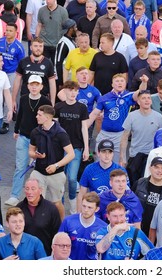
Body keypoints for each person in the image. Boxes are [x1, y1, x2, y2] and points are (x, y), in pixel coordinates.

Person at [5, 75, 51, 207]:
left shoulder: (45, 101)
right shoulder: (24, 98)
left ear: (41, 87)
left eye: (37, 85)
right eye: (32, 84)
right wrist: (16, 130)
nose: (34, 87)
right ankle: (14, 196)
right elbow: (20, 115)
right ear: (28, 86)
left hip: (40, 139)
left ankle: (38, 197)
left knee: (38, 169)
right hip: (24, 137)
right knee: (20, 167)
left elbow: (48, 119)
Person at [28, 105, 75, 220]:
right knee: (36, 200)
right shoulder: (35, 132)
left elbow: (71, 154)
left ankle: (61, 224)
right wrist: (35, 155)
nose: (36, 117)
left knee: (56, 203)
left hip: (56, 173)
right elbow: (31, 151)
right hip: (39, 171)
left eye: (39, 115)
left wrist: (56, 165)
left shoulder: (61, 133)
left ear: (48, 117)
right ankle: (37, 224)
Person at [87, 73, 146, 163]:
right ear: (112, 84)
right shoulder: (105, 98)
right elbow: (94, 114)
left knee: (118, 162)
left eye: (122, 81)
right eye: (117, 81)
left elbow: (140, 91)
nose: (119, 83)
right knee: (99, 161)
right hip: (104, 134)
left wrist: (144, 82)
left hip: (120, 135)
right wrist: (84, 127)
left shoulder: (128, 96)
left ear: (125, 83)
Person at [54, 81, 89, 214]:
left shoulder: (81, 108)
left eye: (75, 90)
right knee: (60, 178)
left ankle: (73, 200)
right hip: (60, 148)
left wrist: (86, 148)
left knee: (72, 178)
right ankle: (60, 204)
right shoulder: (58, 107)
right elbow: (55, 127)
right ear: (65, 91)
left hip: (76, 146)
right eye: (70, 90)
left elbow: (84, 127)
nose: (73, 93)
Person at [119, 89, 162, 185]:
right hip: (135, 156)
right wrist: (122, 157)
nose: (147, 100)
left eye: (148, 98)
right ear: (138, 102)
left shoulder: (158, 117)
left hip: (151, 156)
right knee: (134, 185)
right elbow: (124, 137)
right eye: (143, 98)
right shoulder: (131, 116)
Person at [76, 139, 128, 212]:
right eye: (104, 152)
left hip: (115, 211)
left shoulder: (120, 170)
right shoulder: (89, 169)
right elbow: (81, 194)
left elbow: (127, 194)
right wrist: (79, 215)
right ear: (98, 153)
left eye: (110, 152)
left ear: (113, 154)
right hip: (95, 210)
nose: (107, 155)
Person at [0, 23, 26, 135]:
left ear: (16, 33)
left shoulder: (19, 47)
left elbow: (22, 63)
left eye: (11, 30)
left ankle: (6, 122)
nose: (7, 32)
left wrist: (20, 77)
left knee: (9, 96)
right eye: (7, 30)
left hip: (12, 73)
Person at [11, 37, 56, 111]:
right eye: (36, 46)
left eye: (40, 46)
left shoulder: (48, 63)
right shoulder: (23, 61)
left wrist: (52, 103)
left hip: (42, 99)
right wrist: (13, 100)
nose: (38, 48)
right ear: (31, 47)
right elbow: (17, 82)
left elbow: (52, 84)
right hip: (26, 98)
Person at [59, 192, 107, 260]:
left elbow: (105, 252)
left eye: (90, 207)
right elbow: (58, 244)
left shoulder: (102, 227)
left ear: (97, 209)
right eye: (84, 206)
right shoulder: (68, 221)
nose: (86, 210)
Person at [132, 156, 162, 236]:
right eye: (156, 167)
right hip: (138, 228)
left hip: (159, 232)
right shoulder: (139, 183)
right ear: (150, 168)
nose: (160, 171)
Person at [54, 19, 77, 89]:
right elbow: (58, 63)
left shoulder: (71, 41)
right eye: (75, 27)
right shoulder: (63, 43)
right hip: (64, 80)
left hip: (70, 79)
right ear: (70, 29)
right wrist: (61, 82)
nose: (76, 29)